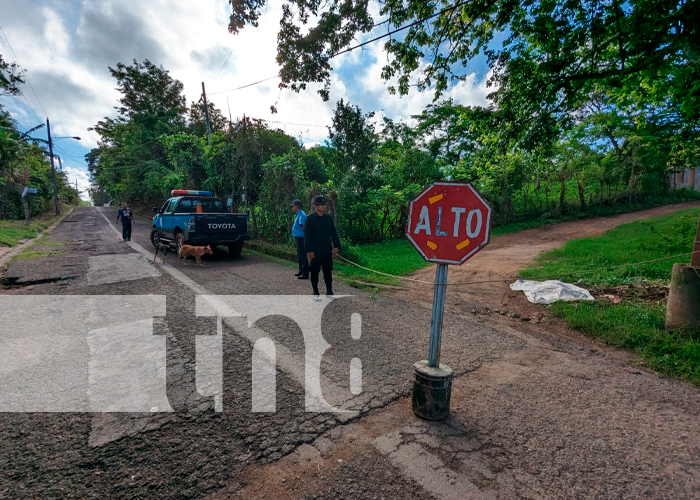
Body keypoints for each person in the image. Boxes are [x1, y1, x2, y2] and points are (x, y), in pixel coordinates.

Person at [304, 195, 340, 299]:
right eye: (321, 204)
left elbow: (333, 233)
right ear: (315, 206)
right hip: (315, 250)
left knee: (328, 270)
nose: (324, 206)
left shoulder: (328, 219)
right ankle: (316, 292)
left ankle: (329, 291)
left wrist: (336, 246)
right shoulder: (310, 219)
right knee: (315, 270)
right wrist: (309, 250)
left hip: (326, 248)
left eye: (324, 204)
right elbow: (308, 236)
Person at [291, 199, 309, 279]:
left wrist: (306, 236)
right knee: (299, 254)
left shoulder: (301, 215)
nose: (292, 208)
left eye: (293, 206)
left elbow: (303, 226)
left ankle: (305, 273)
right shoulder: (298, 214)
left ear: (296, 206)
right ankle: (301, 270)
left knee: (302, 255)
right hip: (298, 237)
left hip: (301, 238)